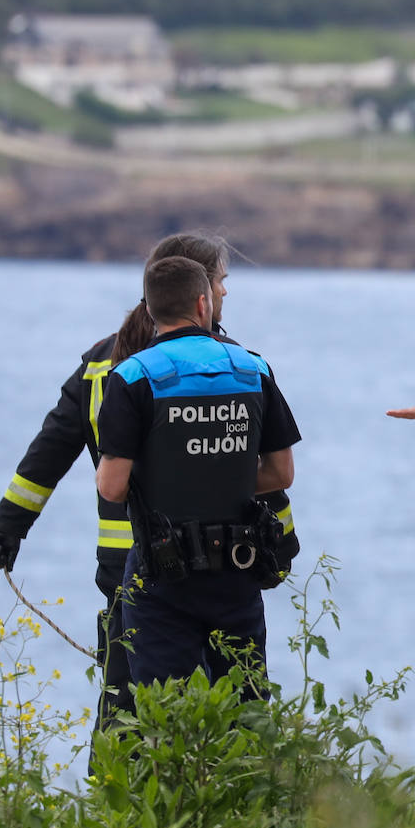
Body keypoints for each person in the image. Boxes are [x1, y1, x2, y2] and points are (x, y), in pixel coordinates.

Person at [0, 231, 236, 728]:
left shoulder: (100, 362)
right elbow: (247, 467)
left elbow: (49, 450)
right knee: (215, 708)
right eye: (222, 281)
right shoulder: (224, 365)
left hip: (121, 566)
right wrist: (280, 543)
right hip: (205, 563)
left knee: (123, 705)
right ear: (200, 293)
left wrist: (8, 527)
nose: (226, 292)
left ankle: (115, 802)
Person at [95, 256, 301, 693]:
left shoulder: (132, 377)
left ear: (150, 310)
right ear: (203, 303)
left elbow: (112, 487)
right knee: (244, 709)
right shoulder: (252, 369)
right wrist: (220, 475)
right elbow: (281, 473)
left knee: (167, 714)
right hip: (237, 571)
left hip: (162, 572)